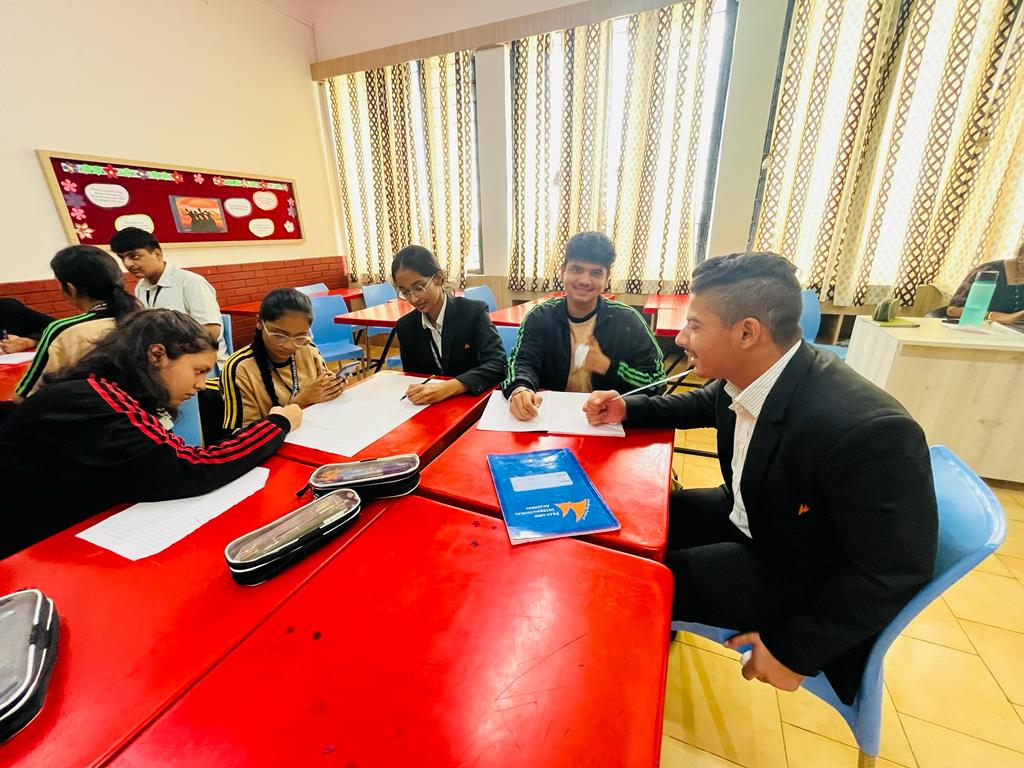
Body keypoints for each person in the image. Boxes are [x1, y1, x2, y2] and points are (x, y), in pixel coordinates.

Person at [584, 251, 937, 704]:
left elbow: (897, 569)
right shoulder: (759, 372)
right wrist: (627, 408)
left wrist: (795, 651)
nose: (682, 338)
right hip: (758, 516)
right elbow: (702, 403)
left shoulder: (867, 429)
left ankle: (604, 694)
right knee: (630, 522)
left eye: (694, 325)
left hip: (794, 566)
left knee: (632, 579)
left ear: (747, 332)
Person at [0, 309, 302, 557]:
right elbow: (192, 466)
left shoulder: (104, 390)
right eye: (198, 370)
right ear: (157, 355)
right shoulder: (101, 404)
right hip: (30, 550)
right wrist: (277, 424)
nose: (200, 385)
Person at [501, 231, 664, 420]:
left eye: (596, 273)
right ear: (563, 271)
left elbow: (656, 383)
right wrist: (520, 389)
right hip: (547, 419)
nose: (585, 281)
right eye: (576, 269)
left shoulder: (628, 320)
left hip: (606, 421)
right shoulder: (540, 317)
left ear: (607, 277)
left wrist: (607, 366)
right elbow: (522, 363)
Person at [15, 245, 139, 400]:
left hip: (91, 411)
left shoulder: (64, 330)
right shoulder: (143, 317)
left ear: (71, 288)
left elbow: (24, 395)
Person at [392, 245, 507, 404]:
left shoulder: (473, 313)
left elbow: (498, 365)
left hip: (474, 402)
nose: (414, 298)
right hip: (430, 407)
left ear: (438, 278)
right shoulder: (406, 327)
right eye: (405, 292)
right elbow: (412, 378)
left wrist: (448, 388)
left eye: (419, 287)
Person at [219, 288, 344, 431]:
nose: (290, 346)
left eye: (300, 337)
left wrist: (333, 387)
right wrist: (301, 401)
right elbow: (240, 436)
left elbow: (323, 399)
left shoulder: (308, 349)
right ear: (259, 322)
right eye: (279, 336)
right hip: (273, 443)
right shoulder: (239, 367)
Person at [110, 227, 228, 366]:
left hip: (202, 363)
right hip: (165, 362)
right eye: (122, 258)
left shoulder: (191, 282)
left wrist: (171, 352)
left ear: (157, 254)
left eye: (134, 256)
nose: (128, 264)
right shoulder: (141, 286)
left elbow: (211, 331)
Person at [946, 243, 1024, 323]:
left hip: (1014, 330)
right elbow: (953, 311)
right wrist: (992, 315)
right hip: (973, 326)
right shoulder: (989, 271)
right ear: (1021, 257)